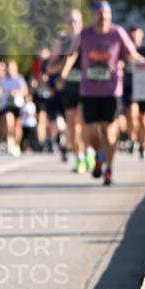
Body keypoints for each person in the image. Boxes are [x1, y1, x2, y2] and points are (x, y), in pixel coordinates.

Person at [60, 0, 145, 185]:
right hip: (89, 92)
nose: (103, 19)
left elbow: (131, 54)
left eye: (106, 15)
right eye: (99, 15)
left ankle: (108, 169)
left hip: (112, 91)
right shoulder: (85, 35)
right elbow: (71, 54)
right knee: (91, 133)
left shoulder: (117, 33)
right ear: (92, 16)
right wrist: (64, 73)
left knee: (109, 133)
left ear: (110, 16)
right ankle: (98, 155)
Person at [47, 10, 91, 173]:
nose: (73, 24)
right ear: (65, 24)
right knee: (72, 125)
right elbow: (50, 68)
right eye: (70, 21)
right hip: (68, 89)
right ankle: (80, 157)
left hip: (87, 88)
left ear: (81, 22)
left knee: (83, 121)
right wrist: (61, 67)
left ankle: (89, 151)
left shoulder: (88, 38)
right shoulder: (61, 42)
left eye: (76, 21)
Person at [123, 26, 145, 160]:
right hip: (129, 87)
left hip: (143, 88)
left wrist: (138, 60)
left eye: (136, 36)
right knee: (131, 113)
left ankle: (143, 144)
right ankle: (132, 139)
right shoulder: (124, 51)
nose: (134, 39)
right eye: (131, 36)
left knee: (144, 119)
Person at [0, 59, 28, 157]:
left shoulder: (19, 79)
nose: (9, 70)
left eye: (11, 68)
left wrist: (16, 92)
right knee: (8, 119)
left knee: (17, 126)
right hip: (7, 105)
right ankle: (9, 140)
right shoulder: (3, 79)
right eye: (8, 68)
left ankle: (16, 144)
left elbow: (25, 91)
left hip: (18, 105)